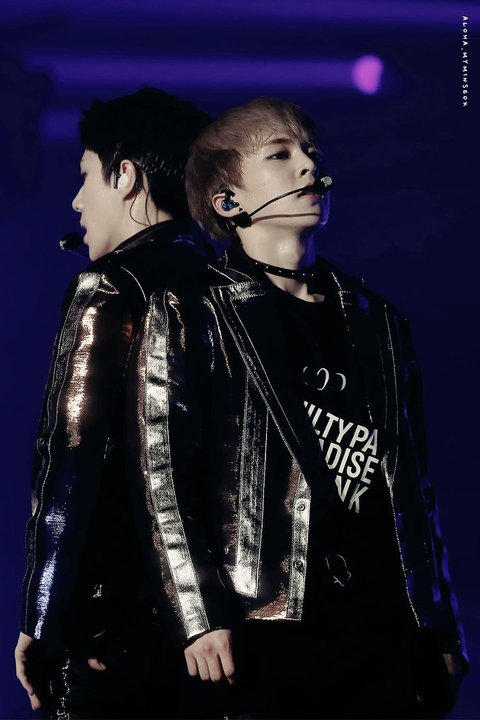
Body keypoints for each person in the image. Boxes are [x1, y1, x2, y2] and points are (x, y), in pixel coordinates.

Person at [131, 97, 467, 719]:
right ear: (227, 202)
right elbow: (162, 473)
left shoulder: (378, 320)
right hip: (266, 624)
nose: (309, 166)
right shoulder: (191, 309)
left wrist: (439, 619)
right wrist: (198, 613)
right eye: (280, 155)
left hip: (383, 625)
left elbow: (415, 484)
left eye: (311, 151)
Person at [14, 87, 211, 720]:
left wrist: (42, 617)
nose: (77, 201)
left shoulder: (108, 288)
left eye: (86, 176)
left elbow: (73, 465)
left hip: (113, 632)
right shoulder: (231, 286)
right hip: (221, 631)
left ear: (126, 176)